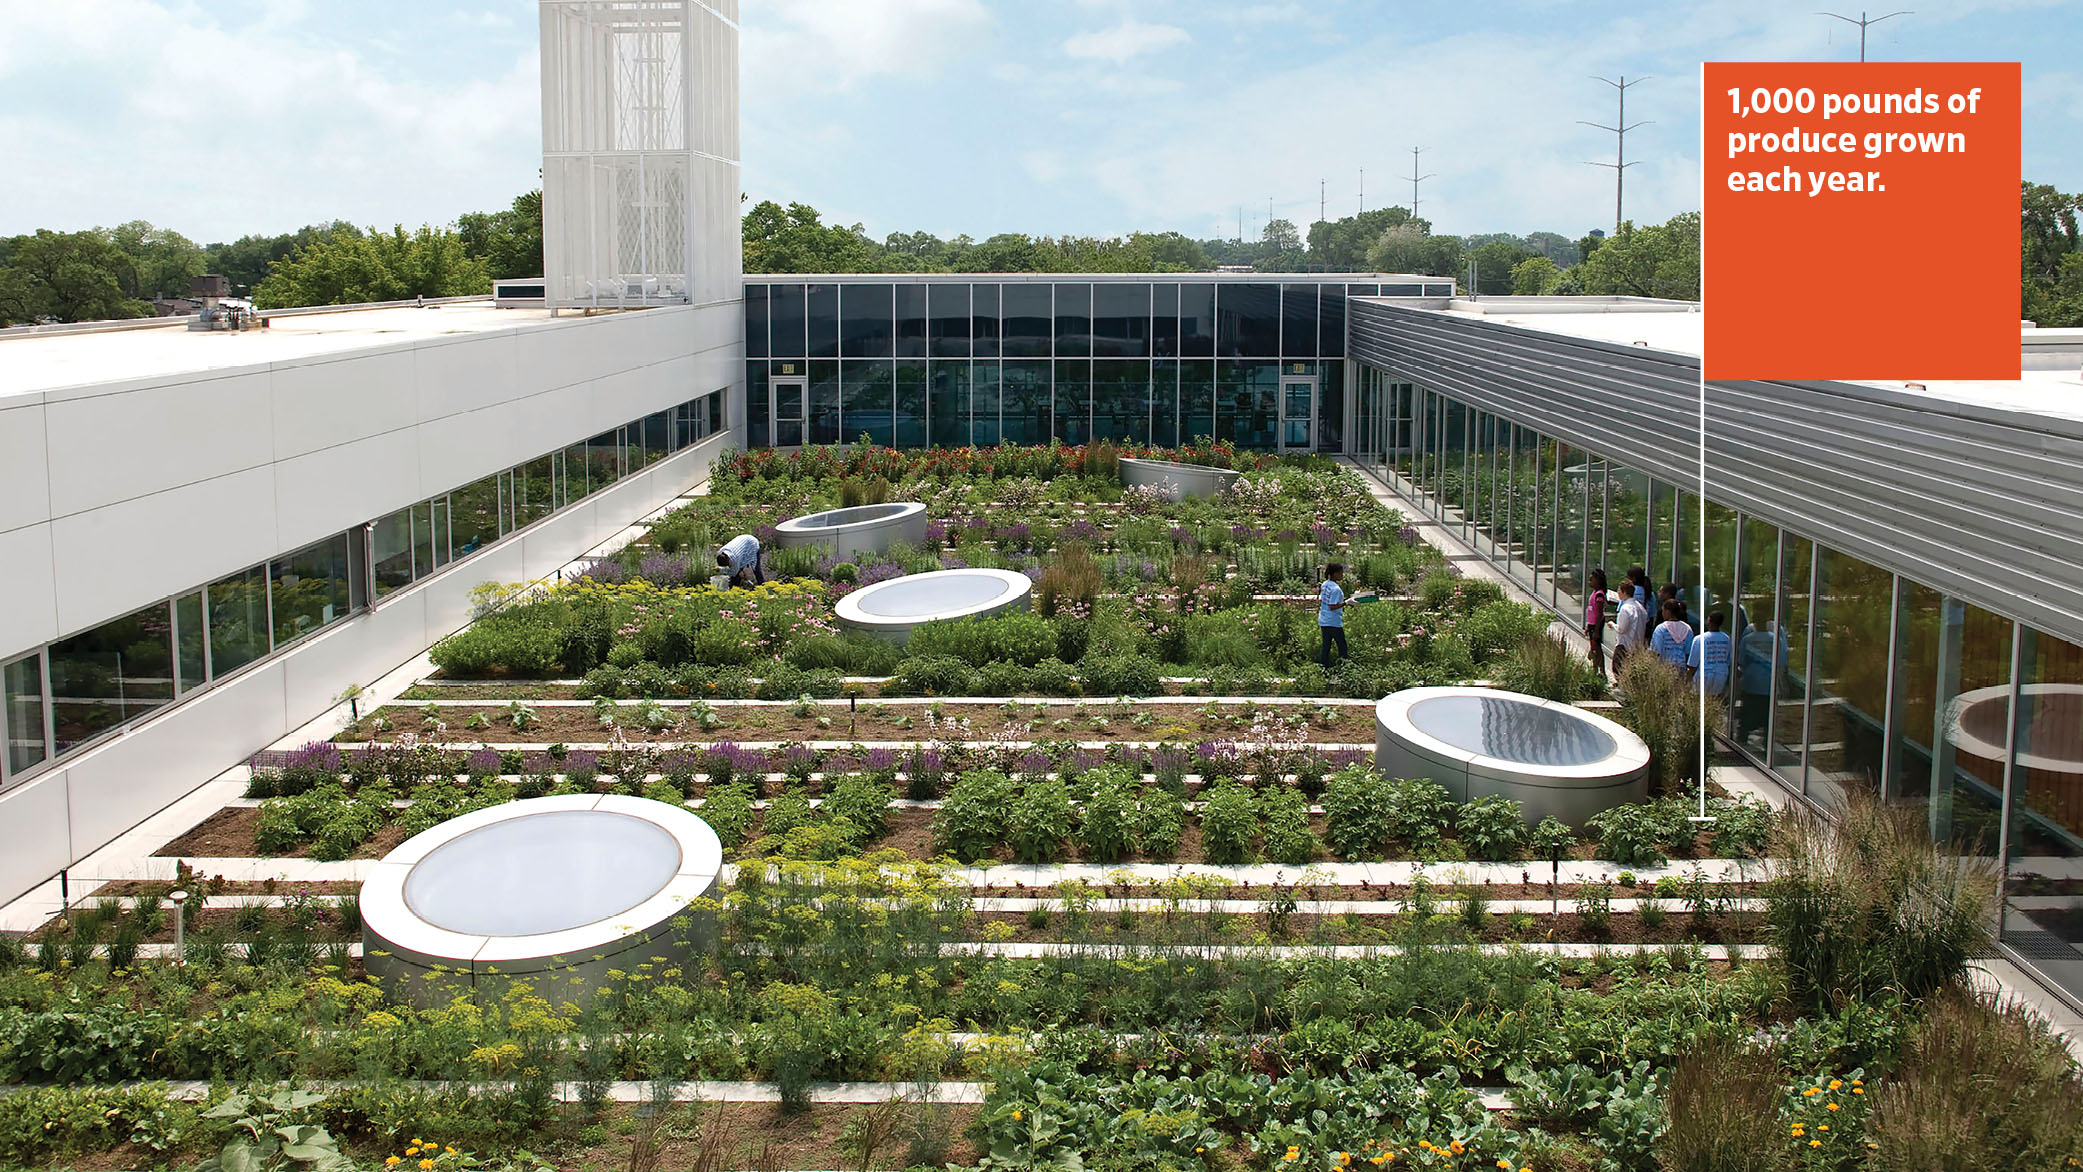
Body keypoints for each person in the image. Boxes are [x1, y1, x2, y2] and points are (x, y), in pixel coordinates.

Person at [1318, 562, 1359, 668]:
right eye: (1341, 573)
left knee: (1326, 647)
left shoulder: (1325, 584)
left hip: (1324, 620)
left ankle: (1324, 669)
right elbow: (1332, 606)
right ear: (1335, 574)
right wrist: (1347, 602)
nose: (1342, 575)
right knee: (1342, 647)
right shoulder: (1336, 590)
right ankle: (1345, 669)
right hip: (1333, 622)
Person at [1688, 610, 1733, 696]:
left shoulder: (1700, 639)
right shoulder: (1726, 638)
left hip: (1703, 676)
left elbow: (1692, 664)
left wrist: (1688, 681)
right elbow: (1728, 660)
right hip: (1721, 676)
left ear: (1709, 621)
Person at [1612, 579, 1650, 673]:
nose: (1618, 593)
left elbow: (1622, 629)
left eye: (1619, 591)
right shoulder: (1640, 608)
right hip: (1637, 644)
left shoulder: (1625, 609)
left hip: (1625, 645)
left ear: (1624, 592)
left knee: (1619, 669)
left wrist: (1612, 625)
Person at [1584, 568, 1611, 678]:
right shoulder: (1594, 593)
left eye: (1592, 580)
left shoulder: (1599, 595)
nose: (1590, 582)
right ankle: (1595, 668)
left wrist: (1596, 630)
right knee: (1593, 647)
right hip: (1591, 624)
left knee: (1597, 648)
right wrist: (1588, 626)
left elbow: (1599, 613)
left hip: (1596, 625)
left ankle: (1601, 670)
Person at [1649, 598, 1692, 668]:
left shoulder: (1661, 629)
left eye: (1663, 611)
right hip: (1681, 667)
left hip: (1664, 669)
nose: (1662, 613)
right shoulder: (1687, 629)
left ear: (1668, 612)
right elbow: (1688, 652)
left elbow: (1655, 652)